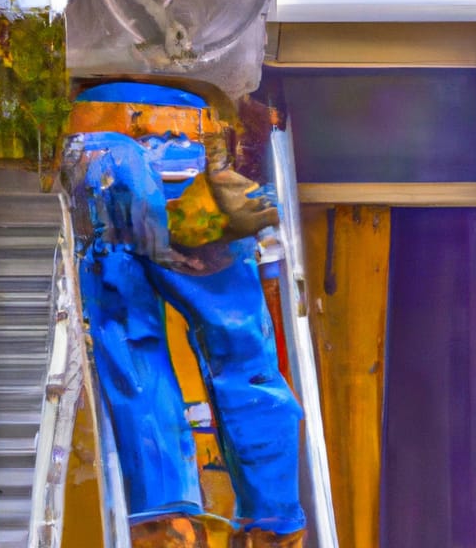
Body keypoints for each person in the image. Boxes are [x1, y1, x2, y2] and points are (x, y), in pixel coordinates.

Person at [61, 82, 305, 548]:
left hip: (113, 146)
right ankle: (271, 526)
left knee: (132, 340)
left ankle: (167, 523)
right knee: (238, 346)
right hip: (186, 154)